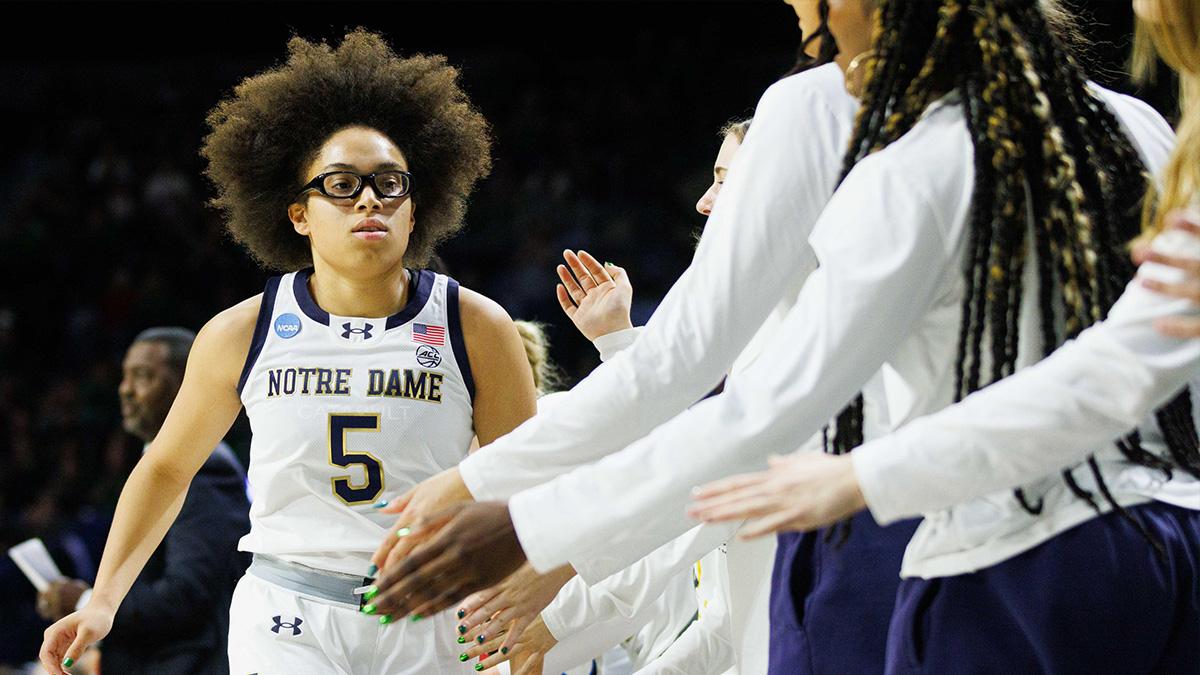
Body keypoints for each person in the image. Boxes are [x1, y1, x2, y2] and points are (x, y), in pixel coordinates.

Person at [369, 2, 1192, 674]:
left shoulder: (883, 144)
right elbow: (1125, 369)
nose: (803, 26)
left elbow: (755, 399)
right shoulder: (1135, 125)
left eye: (813, 11)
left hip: (990, 549)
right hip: (1172, 534)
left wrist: (523, 513)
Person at [690, 1, 1200, 670]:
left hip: (985, 531)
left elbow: (696, 364)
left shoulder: (866, 138)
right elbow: (1120, 363)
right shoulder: (1132, 120)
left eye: (729, 179)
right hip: (1165, 519)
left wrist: (545, 528)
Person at [39, 30, 537, 675]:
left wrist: (532, 600)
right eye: (340, 183)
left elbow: (529, 477)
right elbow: (166, 468)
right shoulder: (243, 332)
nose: (368, 199)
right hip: (290, 611)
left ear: (416, 212)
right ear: (299, 214)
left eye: (390, 184)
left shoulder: (476, 325)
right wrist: (104, 600)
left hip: (436, 610)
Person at [36, 327, 250, 675]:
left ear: (188, 383)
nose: (125, 390)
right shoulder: (162, 467)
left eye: (143, 376)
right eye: (124, 376)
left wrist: (86, 602)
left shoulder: (206, 475)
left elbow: (186, 596)